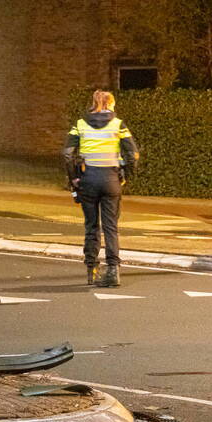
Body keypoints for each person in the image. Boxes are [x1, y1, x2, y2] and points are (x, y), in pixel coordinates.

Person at [63, 90, 139, 287]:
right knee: (111, 227)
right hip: (111, 180)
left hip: (87, 179)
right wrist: (125, 176)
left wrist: (74, 180)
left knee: (91, 226)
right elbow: (133, 154)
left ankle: (92, 269)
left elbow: (67, 154)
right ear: (110, 104)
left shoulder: (79, 124)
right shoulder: (118, 124)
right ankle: (113, 270)